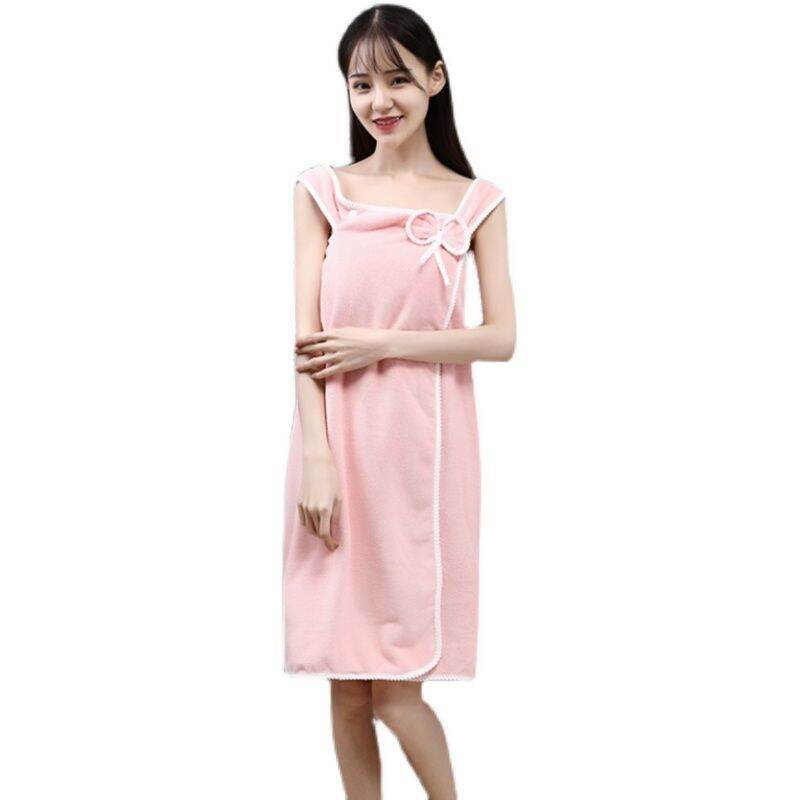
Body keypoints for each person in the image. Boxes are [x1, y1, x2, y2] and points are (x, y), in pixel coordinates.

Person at [282, 4, 515, 797]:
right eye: (361, 84)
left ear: (434, 80)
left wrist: (382, 344)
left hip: (425, 452)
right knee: (346, 683)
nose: (379, 100)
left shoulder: (476, 201)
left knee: (397, 690)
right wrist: (316, 458)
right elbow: (306, 339)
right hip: (333, 450)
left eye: (396, 79)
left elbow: (500, 337)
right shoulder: (322, 192)